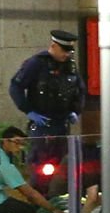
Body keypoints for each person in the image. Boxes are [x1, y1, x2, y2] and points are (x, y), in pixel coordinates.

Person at [9, 29, 86, 189]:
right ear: (54, 46)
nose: (67, 55)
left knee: (61, 167)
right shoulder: (36, 63)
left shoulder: (70, 66)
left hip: (62, 124)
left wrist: (75, 111)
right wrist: (28, 110)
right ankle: (40, 202)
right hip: (42, 124)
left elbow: (79, 89)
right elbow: (16, 86)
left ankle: (58, 200)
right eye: (64, 50)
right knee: (40, 168)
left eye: (70, 51)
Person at [0, 126, 66, 213]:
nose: (20, 147)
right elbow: (29, 193)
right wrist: (53, 209)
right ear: (6, 141)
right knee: (28, 210)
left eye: (22, 144)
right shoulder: (3, 163)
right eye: (17, 142)